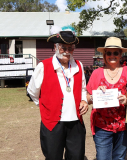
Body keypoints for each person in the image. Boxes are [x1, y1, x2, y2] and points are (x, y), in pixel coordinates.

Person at [27, 26, 88, 160]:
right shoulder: (43, 66)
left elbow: (83, 88)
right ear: (55, 47)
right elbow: (32, 91)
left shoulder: (79, 65)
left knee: (77, 157)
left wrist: (83, 100)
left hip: (76, 122)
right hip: (53, 123)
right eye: (63, 48)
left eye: (70, 48)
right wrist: (47, 106)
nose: (67, 51)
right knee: (53, 157)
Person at [86, 37, 127, 160]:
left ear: (121, 54)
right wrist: (95, 95)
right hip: (102, 125)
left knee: (119, 157)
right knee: (103, 158)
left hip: (124, 125)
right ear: (104, 54)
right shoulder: (97, 73)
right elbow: (87, 97)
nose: (112, 56)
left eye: (116, 53)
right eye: (109, 53)